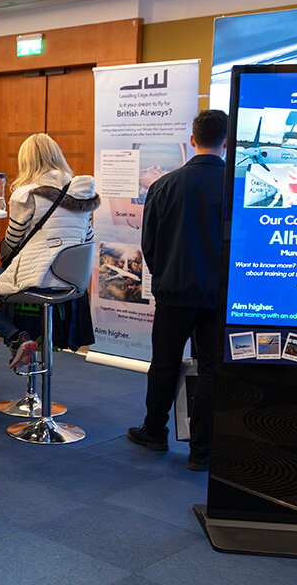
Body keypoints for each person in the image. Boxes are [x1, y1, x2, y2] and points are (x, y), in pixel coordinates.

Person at [128, 109, 227, 472]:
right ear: (227, 142)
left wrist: (165, 275)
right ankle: (202, 452)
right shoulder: (236, 185)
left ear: (192, 139)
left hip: (174, 291)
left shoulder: (163, 185)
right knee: (212, 369)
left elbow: (149, 244)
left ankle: (155, 432)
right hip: (219, 295)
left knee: (165, 364)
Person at [0, 133, 98, 368]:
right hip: (73, 282)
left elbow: (13, 241)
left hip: (39, 277)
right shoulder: (81, 191)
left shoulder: (26, 194)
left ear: (26, 162)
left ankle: (17, 337)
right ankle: (21, 341)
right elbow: (88, 238)